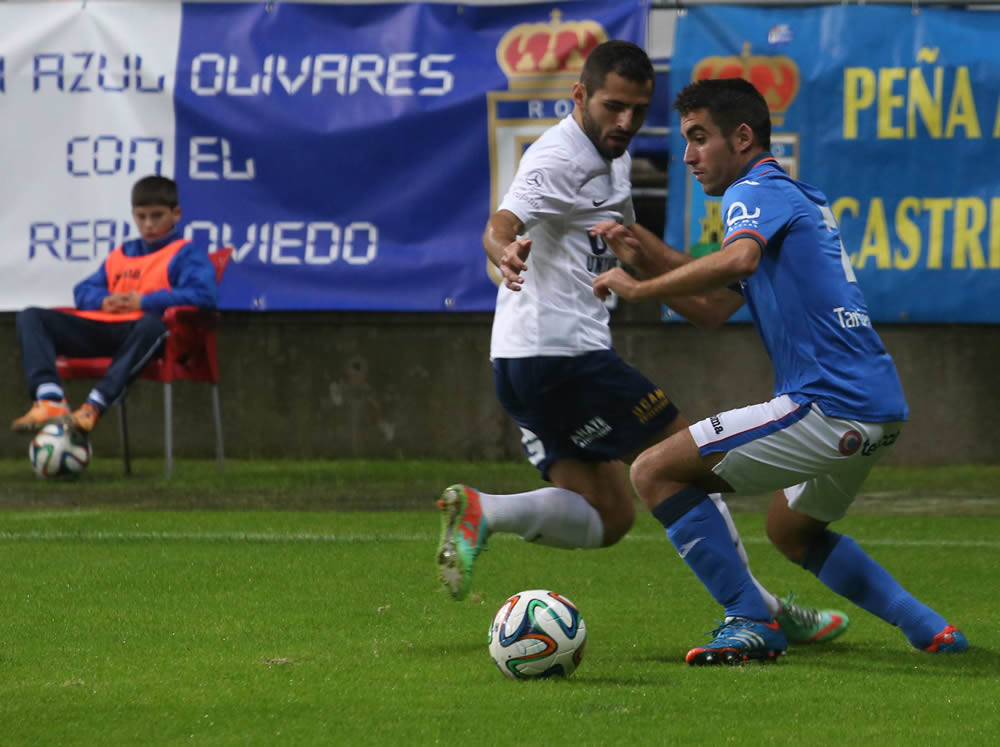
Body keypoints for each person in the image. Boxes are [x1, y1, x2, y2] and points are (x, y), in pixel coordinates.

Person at [436, 41, 846, 649]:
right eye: (612, 107)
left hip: (522, 364)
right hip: (564, 357)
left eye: (637, 109)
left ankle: (484, 512)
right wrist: (505, 249)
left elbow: (635, 249)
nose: (625, 122)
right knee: (689, 462)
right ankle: (761, 611)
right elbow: (501, 224)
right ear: (579, 96)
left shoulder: (614, 155)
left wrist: (683, 280)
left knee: (609, 515)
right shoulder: (556, 156)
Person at [592, 77, 968, 664]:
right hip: (877, 407)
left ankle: (750, 619)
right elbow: (717, 307)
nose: (687, 155)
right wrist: (647, 256)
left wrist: (640, 288)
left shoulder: (751, 190)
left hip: (825, 404)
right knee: (791, 531)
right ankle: (932, 630)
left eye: (698, 138)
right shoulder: (796, 194)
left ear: (742, 138)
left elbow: (736, 258)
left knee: (653, 472)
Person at [11, 175, 217, 435]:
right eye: (141, 217)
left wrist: (145, 301)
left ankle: (94, 406)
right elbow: (84, 290)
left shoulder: (186, 254)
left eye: (157, 216)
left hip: (147, 337)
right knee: (31, 316)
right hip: (105, 330)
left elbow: (204, 295)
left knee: (153, 324)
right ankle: (50, 399)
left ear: (176, 214)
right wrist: (103, 300)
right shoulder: (123, 252)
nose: (149, 224)